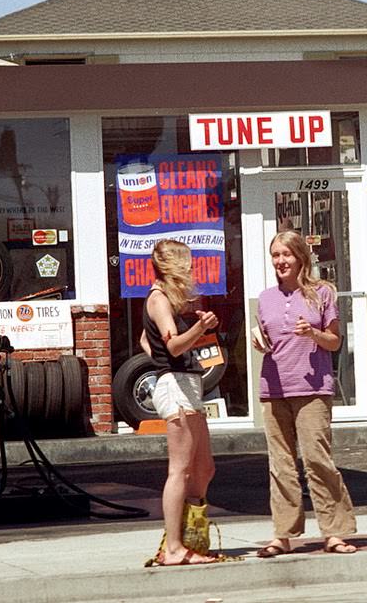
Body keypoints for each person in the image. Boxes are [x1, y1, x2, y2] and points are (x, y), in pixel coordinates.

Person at [252, 229, 357, 557]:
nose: (280, 261)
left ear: (301, 257)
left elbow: (335, 341)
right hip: (274, 387)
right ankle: (282, 535)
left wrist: (312, 332)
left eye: (286, 255)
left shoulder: (322, 293)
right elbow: (268, 339)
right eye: (275, 255)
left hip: (313, 389)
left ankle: (335, 533)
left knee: (317, 459)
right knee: (280, 464)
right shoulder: (265, 298)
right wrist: (259, 343)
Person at [141, 238, 219, 566]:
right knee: (180, 470)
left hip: (185, 384)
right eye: (186, 264)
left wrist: (159, 356)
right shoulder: (158, 300)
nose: (190, 270)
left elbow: (146, 339)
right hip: (175, 386)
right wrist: (199, 329)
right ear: (172, 267)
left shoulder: (170, 302)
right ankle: (173, 547)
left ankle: (191, 537)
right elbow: (173, 347)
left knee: (203, 468)